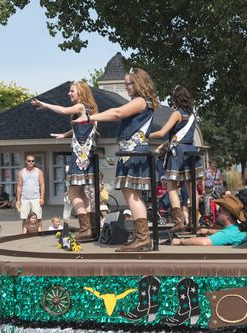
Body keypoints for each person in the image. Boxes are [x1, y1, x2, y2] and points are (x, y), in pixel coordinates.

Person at [72, 68, 161, 252]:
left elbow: (117, 113)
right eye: (126, 84)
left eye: (129, 83)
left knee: (132, 195)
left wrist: (89, 117)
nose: (127, 87)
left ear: (139, 83)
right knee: (132, 195)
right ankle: (141, 236)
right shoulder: (143, 102)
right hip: (131, 152)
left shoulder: (140, 101)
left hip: (134, 152)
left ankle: (143, 238)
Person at [31, 80, 97, 241]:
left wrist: (45, 105)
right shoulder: (90, 109)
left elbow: (63, 110)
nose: (69, 93)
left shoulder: (81, 106)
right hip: (87, 154)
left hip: (80, 155)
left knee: (73, 192)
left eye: (72, 91)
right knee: (84, 194)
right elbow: (83, 127)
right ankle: (93, 228)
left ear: (81, 92)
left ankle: (85, 228)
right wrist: (66, 134)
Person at [150, 85, 203, 232]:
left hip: (177, 152)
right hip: (190, 150)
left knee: (171, 186)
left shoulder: (177, 114)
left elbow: (162, 132)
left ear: (175, 98)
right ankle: (194, 222)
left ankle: (179, 221)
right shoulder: (192, 115)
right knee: (192, 188)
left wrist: (144, 135)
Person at [171, 194, 247, 246]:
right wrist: (208, 231)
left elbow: (204, 242)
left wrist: (181, 241)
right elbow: (225, 232)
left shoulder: (227, 234)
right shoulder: (238, 228)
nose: (217, 212)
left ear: (227, 215)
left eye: (220, 211)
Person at [15, 154, 45, 231]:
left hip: (35, 198)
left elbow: (42, 185)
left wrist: (42, 198)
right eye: (29, 161)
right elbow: (19, 186)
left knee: (38, 217)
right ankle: (24, 234)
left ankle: (39, 232)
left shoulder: (39, 171)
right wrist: (18, 200)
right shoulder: (21, 172)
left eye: (32, 161)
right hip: (25, 198)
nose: (31, 162)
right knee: (24, 218)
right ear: (26, 161)